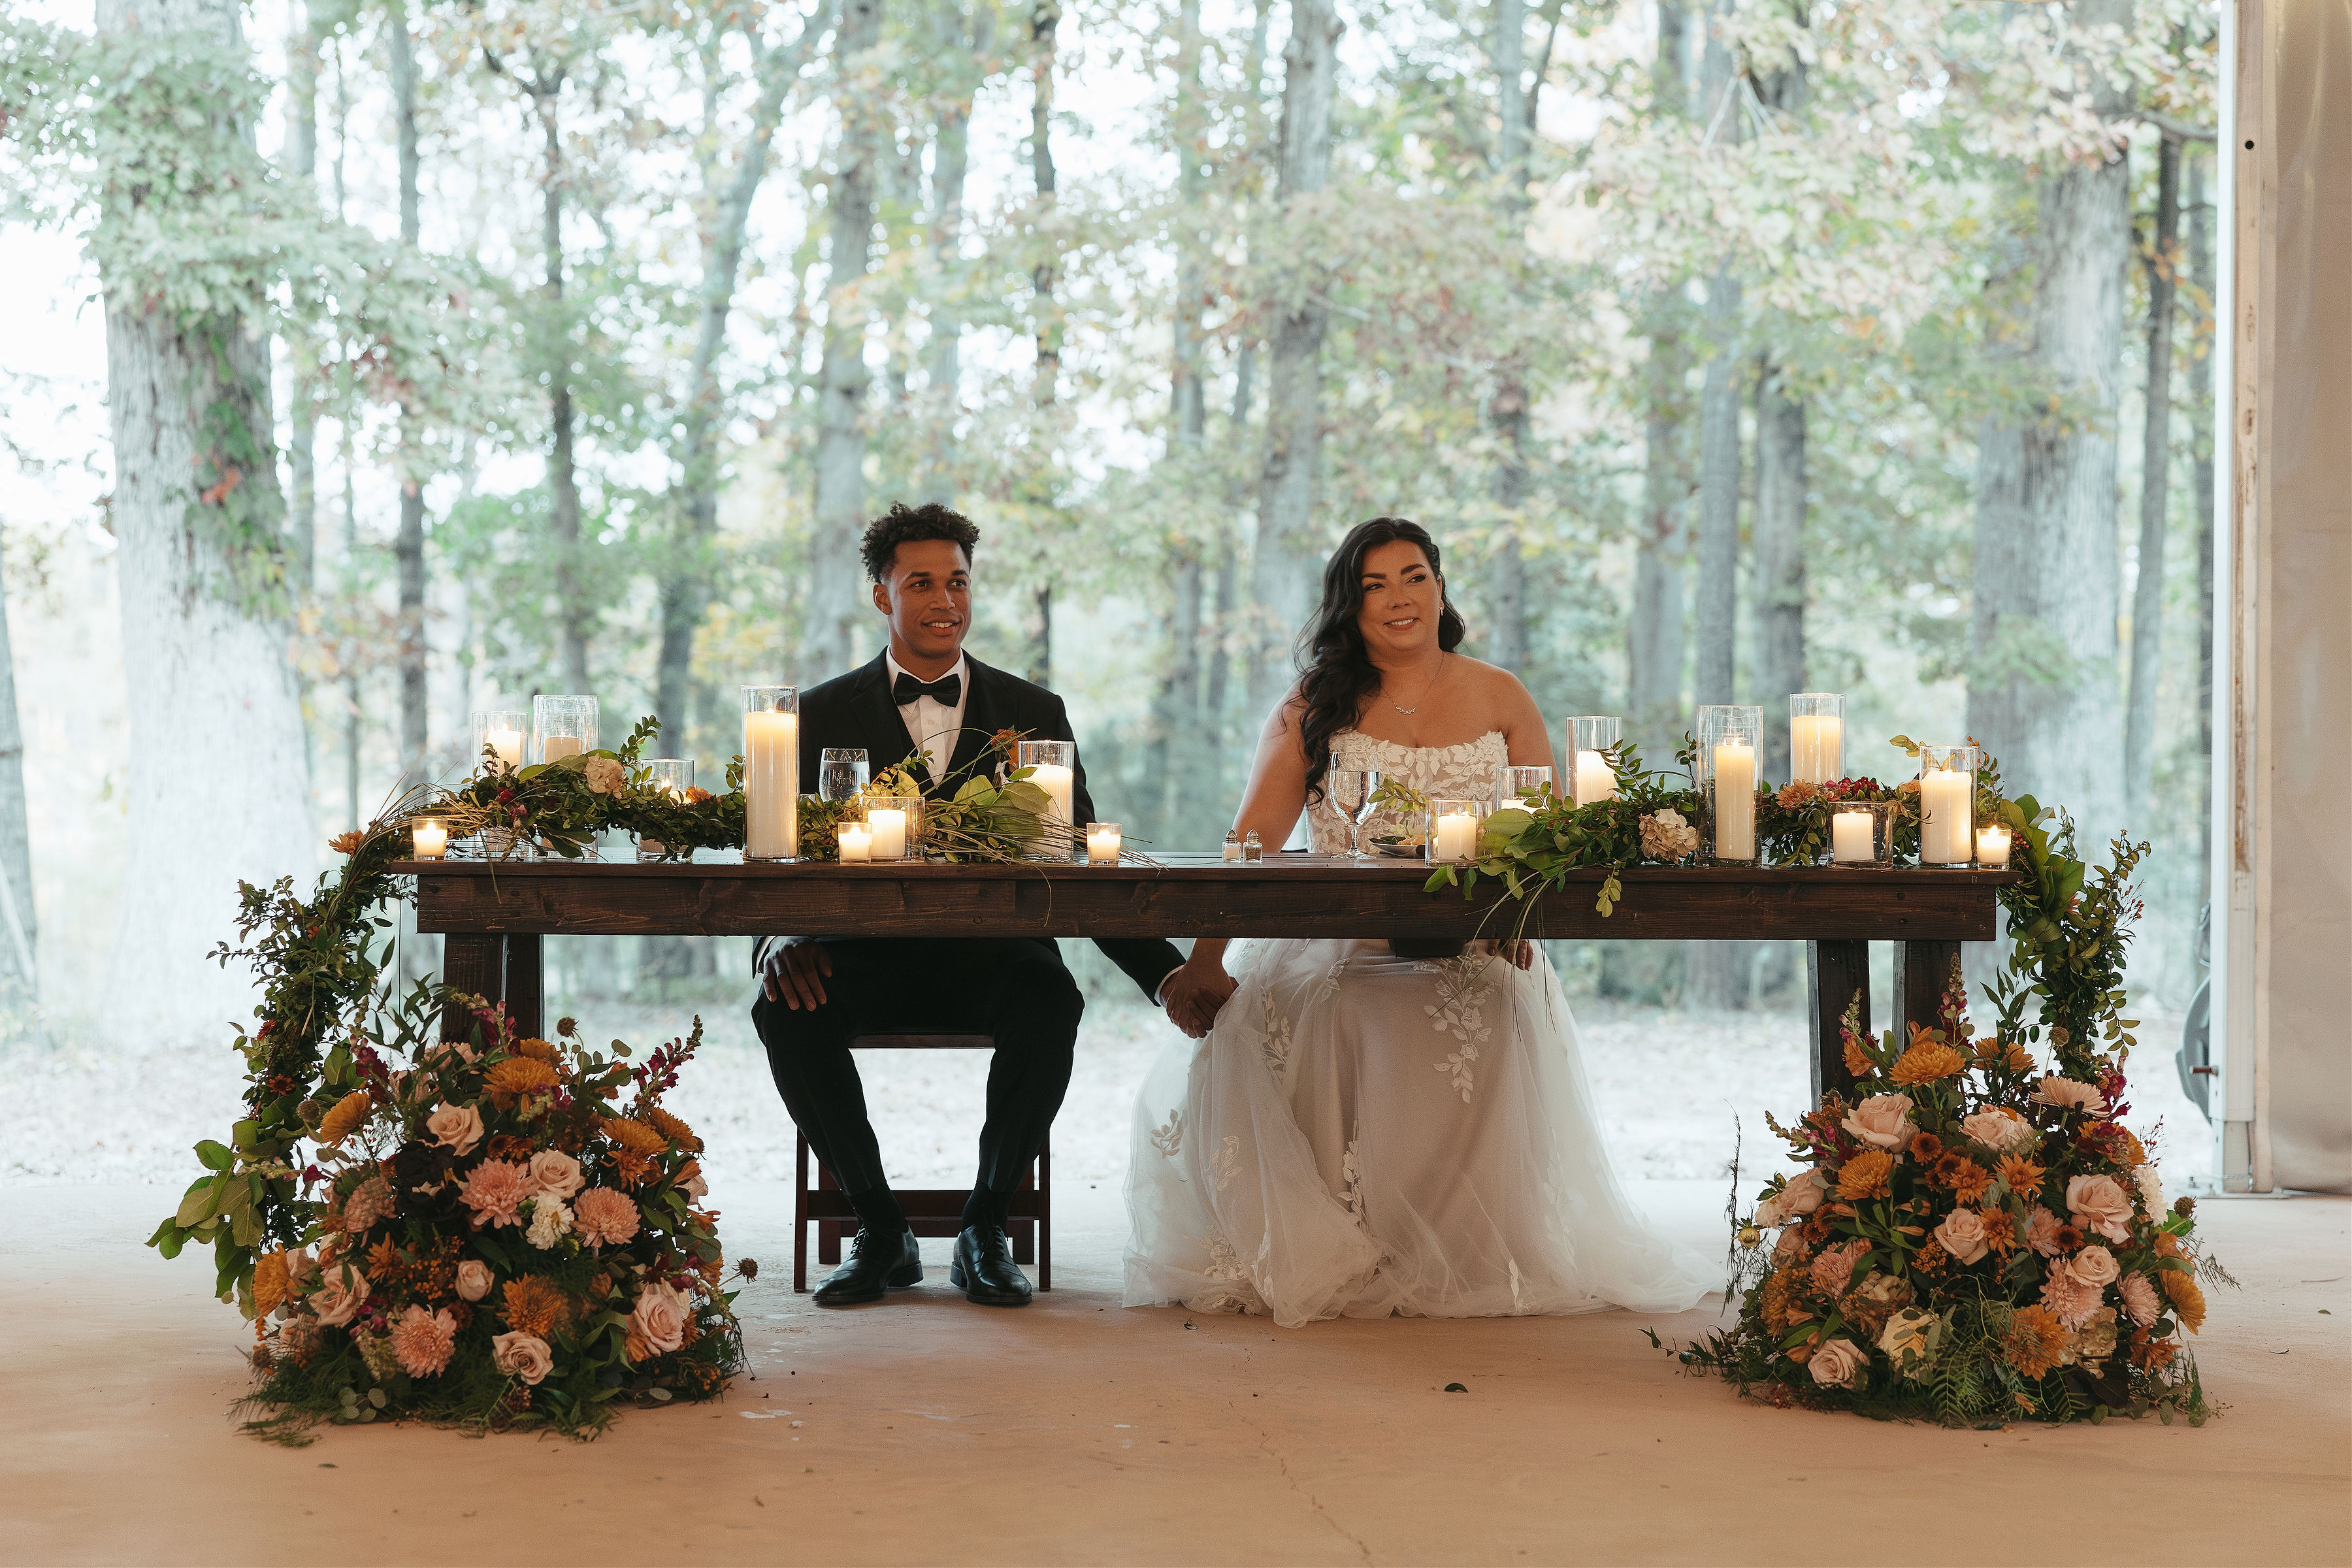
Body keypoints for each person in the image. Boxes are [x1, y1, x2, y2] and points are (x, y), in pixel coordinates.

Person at [1123, 517, 1712, 1325]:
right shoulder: (1312, 707)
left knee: (1495, 1009)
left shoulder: (1501, 695)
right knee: (1336, 1005)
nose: (1398, 598)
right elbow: (1251, 839)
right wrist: (1205, 959)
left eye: (1414, 577)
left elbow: (1547, 835)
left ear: (1439, 587)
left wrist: (1517, 918)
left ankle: (1459, 1245)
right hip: (1333, 941)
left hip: (1470, 942)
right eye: (1374, 586)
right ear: (1350, 605)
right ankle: (1339, 1241)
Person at [755, 502, 1232, 1309]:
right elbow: (778, 845)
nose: (945, 601)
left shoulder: (1034, 712)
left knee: (1051, 998)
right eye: (921, 584)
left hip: (996, 957)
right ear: (882, 597)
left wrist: (1166, 975)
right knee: (785, 1008)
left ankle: (986, 1225)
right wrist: (777, 939)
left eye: (958, 582)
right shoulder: (819, 713)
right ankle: (880, 1227)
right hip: (860, 957)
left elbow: (1076, 859)